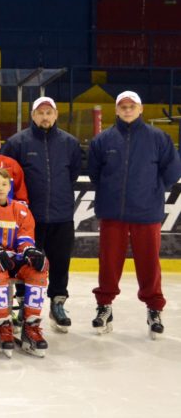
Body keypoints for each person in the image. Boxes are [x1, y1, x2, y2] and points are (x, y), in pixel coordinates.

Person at [87, 91, 181, 339]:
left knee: (149, 262)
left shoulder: (158, 138)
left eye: (132, 106)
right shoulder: (103, 140)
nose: (127, 110)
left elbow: (171, 172)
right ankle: (104, 306)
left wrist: (151, 190)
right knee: (109, 261)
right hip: (112, 213)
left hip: (146, 212)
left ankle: (154, 309)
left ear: (141, 109)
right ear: (116, 110)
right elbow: (95, 174)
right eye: (123, 106)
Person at [1, 97, 81, 334]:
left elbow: (73, 174)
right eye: (40, 113)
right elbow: (8, 178)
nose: (45, 117)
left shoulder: (70, 143)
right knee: (27, 263)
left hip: (62, 215)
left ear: (56, 115)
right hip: (28, 218)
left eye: (49, 112)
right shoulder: (17, 142)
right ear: (33, 115)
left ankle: (57, 303)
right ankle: (22, 304)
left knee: (60, 262)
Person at [0, 168, 50, 358]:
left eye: (4, 184)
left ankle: (31, 326)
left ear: (10, 186)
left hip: (16, 259)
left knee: (39, 271)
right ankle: (3, 325)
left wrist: (29, 250)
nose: (0, 188)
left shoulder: (21, 209)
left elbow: (26, 237)